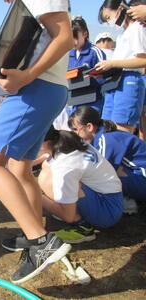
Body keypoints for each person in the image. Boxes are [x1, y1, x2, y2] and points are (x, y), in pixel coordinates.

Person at [0, 0, 73, 283]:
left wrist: (25, 77)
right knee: (20, 167)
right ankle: (34, 236)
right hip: (46, 89)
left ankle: (41, 241)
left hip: (35, 89)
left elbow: (64, 36)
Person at [36, 127, 123, 244]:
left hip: (106, 211)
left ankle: (82, 227)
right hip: (111, 198)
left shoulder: (65, 168)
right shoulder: (65, 139)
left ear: (43, 143)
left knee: (49, 180)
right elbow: (47, 156)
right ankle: (70, 208)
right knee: (47, 168)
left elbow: (68, 217)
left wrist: (37, 197)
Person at [68, 106, 146, 214]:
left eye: (75, 129)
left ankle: (122, 203)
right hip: (138, 176)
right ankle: (127, 198)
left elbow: (100, 171)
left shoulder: (106, 139)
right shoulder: (100, 135)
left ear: (89, 127)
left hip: (142, 178)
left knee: (107, 170)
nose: (73, 133)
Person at [96, 0, 146, 134]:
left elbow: (142, 60)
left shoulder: (137, 27)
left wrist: (112, 64)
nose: (109, 22)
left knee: (122, 130)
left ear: (119, 9)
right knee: (108, 127)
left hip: (129, 79)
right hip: (116, 81)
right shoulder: (123, 34)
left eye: (108, 17)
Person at [69, 16, 106, 113]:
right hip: (74, 101)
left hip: (92, 101)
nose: (72, 42)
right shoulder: (69, 54)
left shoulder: (95, 52)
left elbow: (105, 76)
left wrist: (92, 78)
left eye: (75, 38)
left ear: (84, 34)